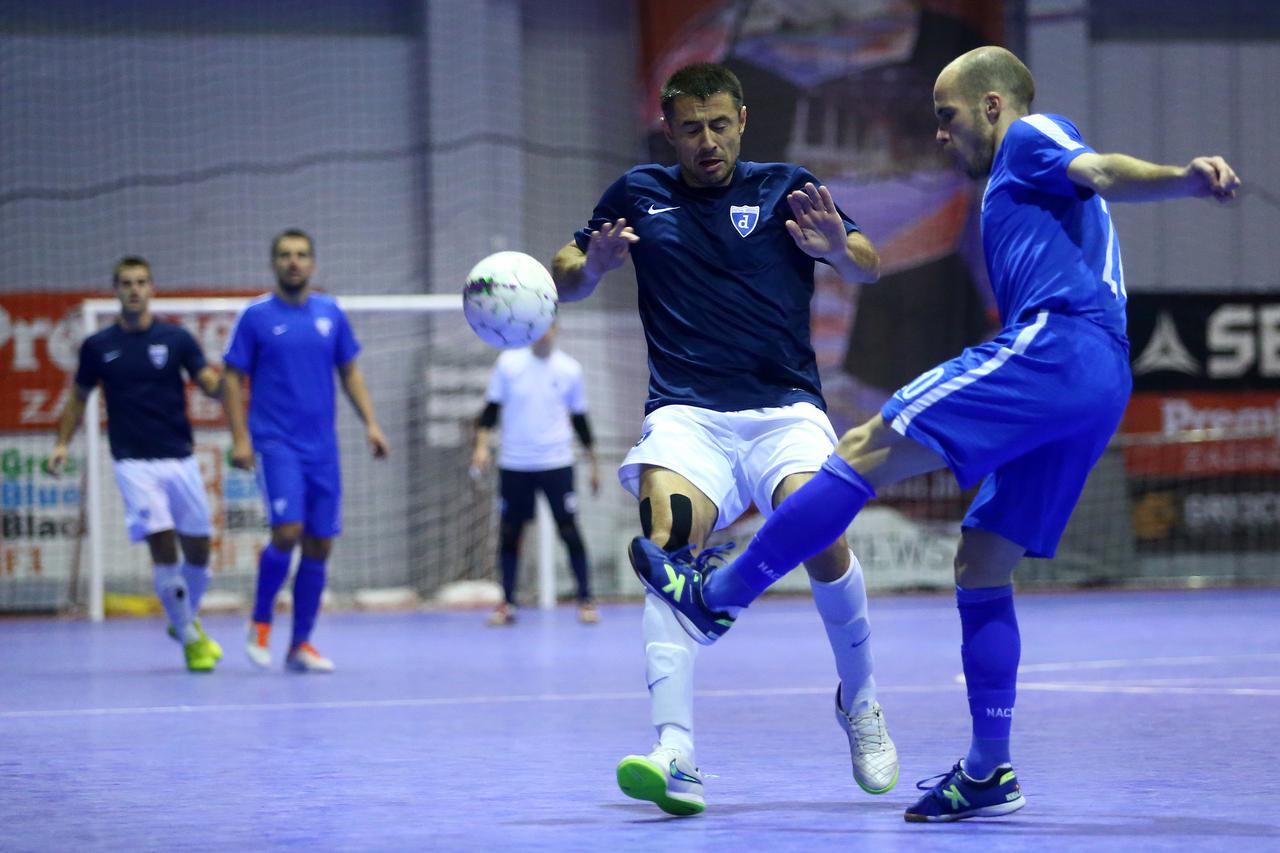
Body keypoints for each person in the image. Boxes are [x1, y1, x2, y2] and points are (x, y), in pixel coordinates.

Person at [633, 46, 1242, 822]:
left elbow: (1101, 170)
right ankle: (990, 768)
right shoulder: (1016, 184)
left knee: (863, 449)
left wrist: (1182, 179)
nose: (941, 136)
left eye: (948, 118)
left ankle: (717, 596)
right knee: (981, 559)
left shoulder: (1029, 137)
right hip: (1101, 382)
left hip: (1056, 347)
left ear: (992, 105)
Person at [552, 62, 898, 816]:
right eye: (690, 129)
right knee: (668, 543)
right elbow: (566, 273)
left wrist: (841, 249)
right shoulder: (637, 193)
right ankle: (674, 752)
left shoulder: (788, 188)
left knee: (825, 537)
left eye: (718, 125)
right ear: (668, 131)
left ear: (741, 120)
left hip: (785, 410)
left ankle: (861, 698)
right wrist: (592, 266)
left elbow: (868, 265)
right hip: (687, 414)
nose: (706, 142)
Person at [223, 229, 389, 673]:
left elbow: (349, 372)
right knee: (288, 531)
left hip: (322, 448)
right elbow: (231, 378)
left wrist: (371, 424)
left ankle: (300, 645)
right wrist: (240, 438)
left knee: (319, 542)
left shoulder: (330, 313)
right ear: (274, 263)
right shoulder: (255, 316)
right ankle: (260, 623)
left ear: (312, 264)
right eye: (285, 255)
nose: (293, 262)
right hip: (276, 442)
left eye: (300, 255)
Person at [49, 256, 225, 672]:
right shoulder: (98, 346)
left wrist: (230, 383)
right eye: (126, 283)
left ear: (152, 289)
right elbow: (77, 399)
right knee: (162, 544)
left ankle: (183, 619)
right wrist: (61, 443)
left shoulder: (177, 339)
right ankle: (191, 640)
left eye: (141, 282)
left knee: (199, 551)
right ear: (116, 290)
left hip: (181, 459)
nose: (134, 290)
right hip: (133, 464)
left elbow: (209, 382)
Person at [470, 322, 601, 626]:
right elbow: (490, 410)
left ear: (557, 328)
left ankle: (585, 599)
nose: (545, 333)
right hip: (515, 463)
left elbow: (580, 419)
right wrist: (481, 447)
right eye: (539, 327)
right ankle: (508, 603)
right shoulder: (508, 363)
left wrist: (594, 465)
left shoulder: (570, 369)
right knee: (510, 533)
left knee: (569, 530)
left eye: (550, 327)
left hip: (556, 463)